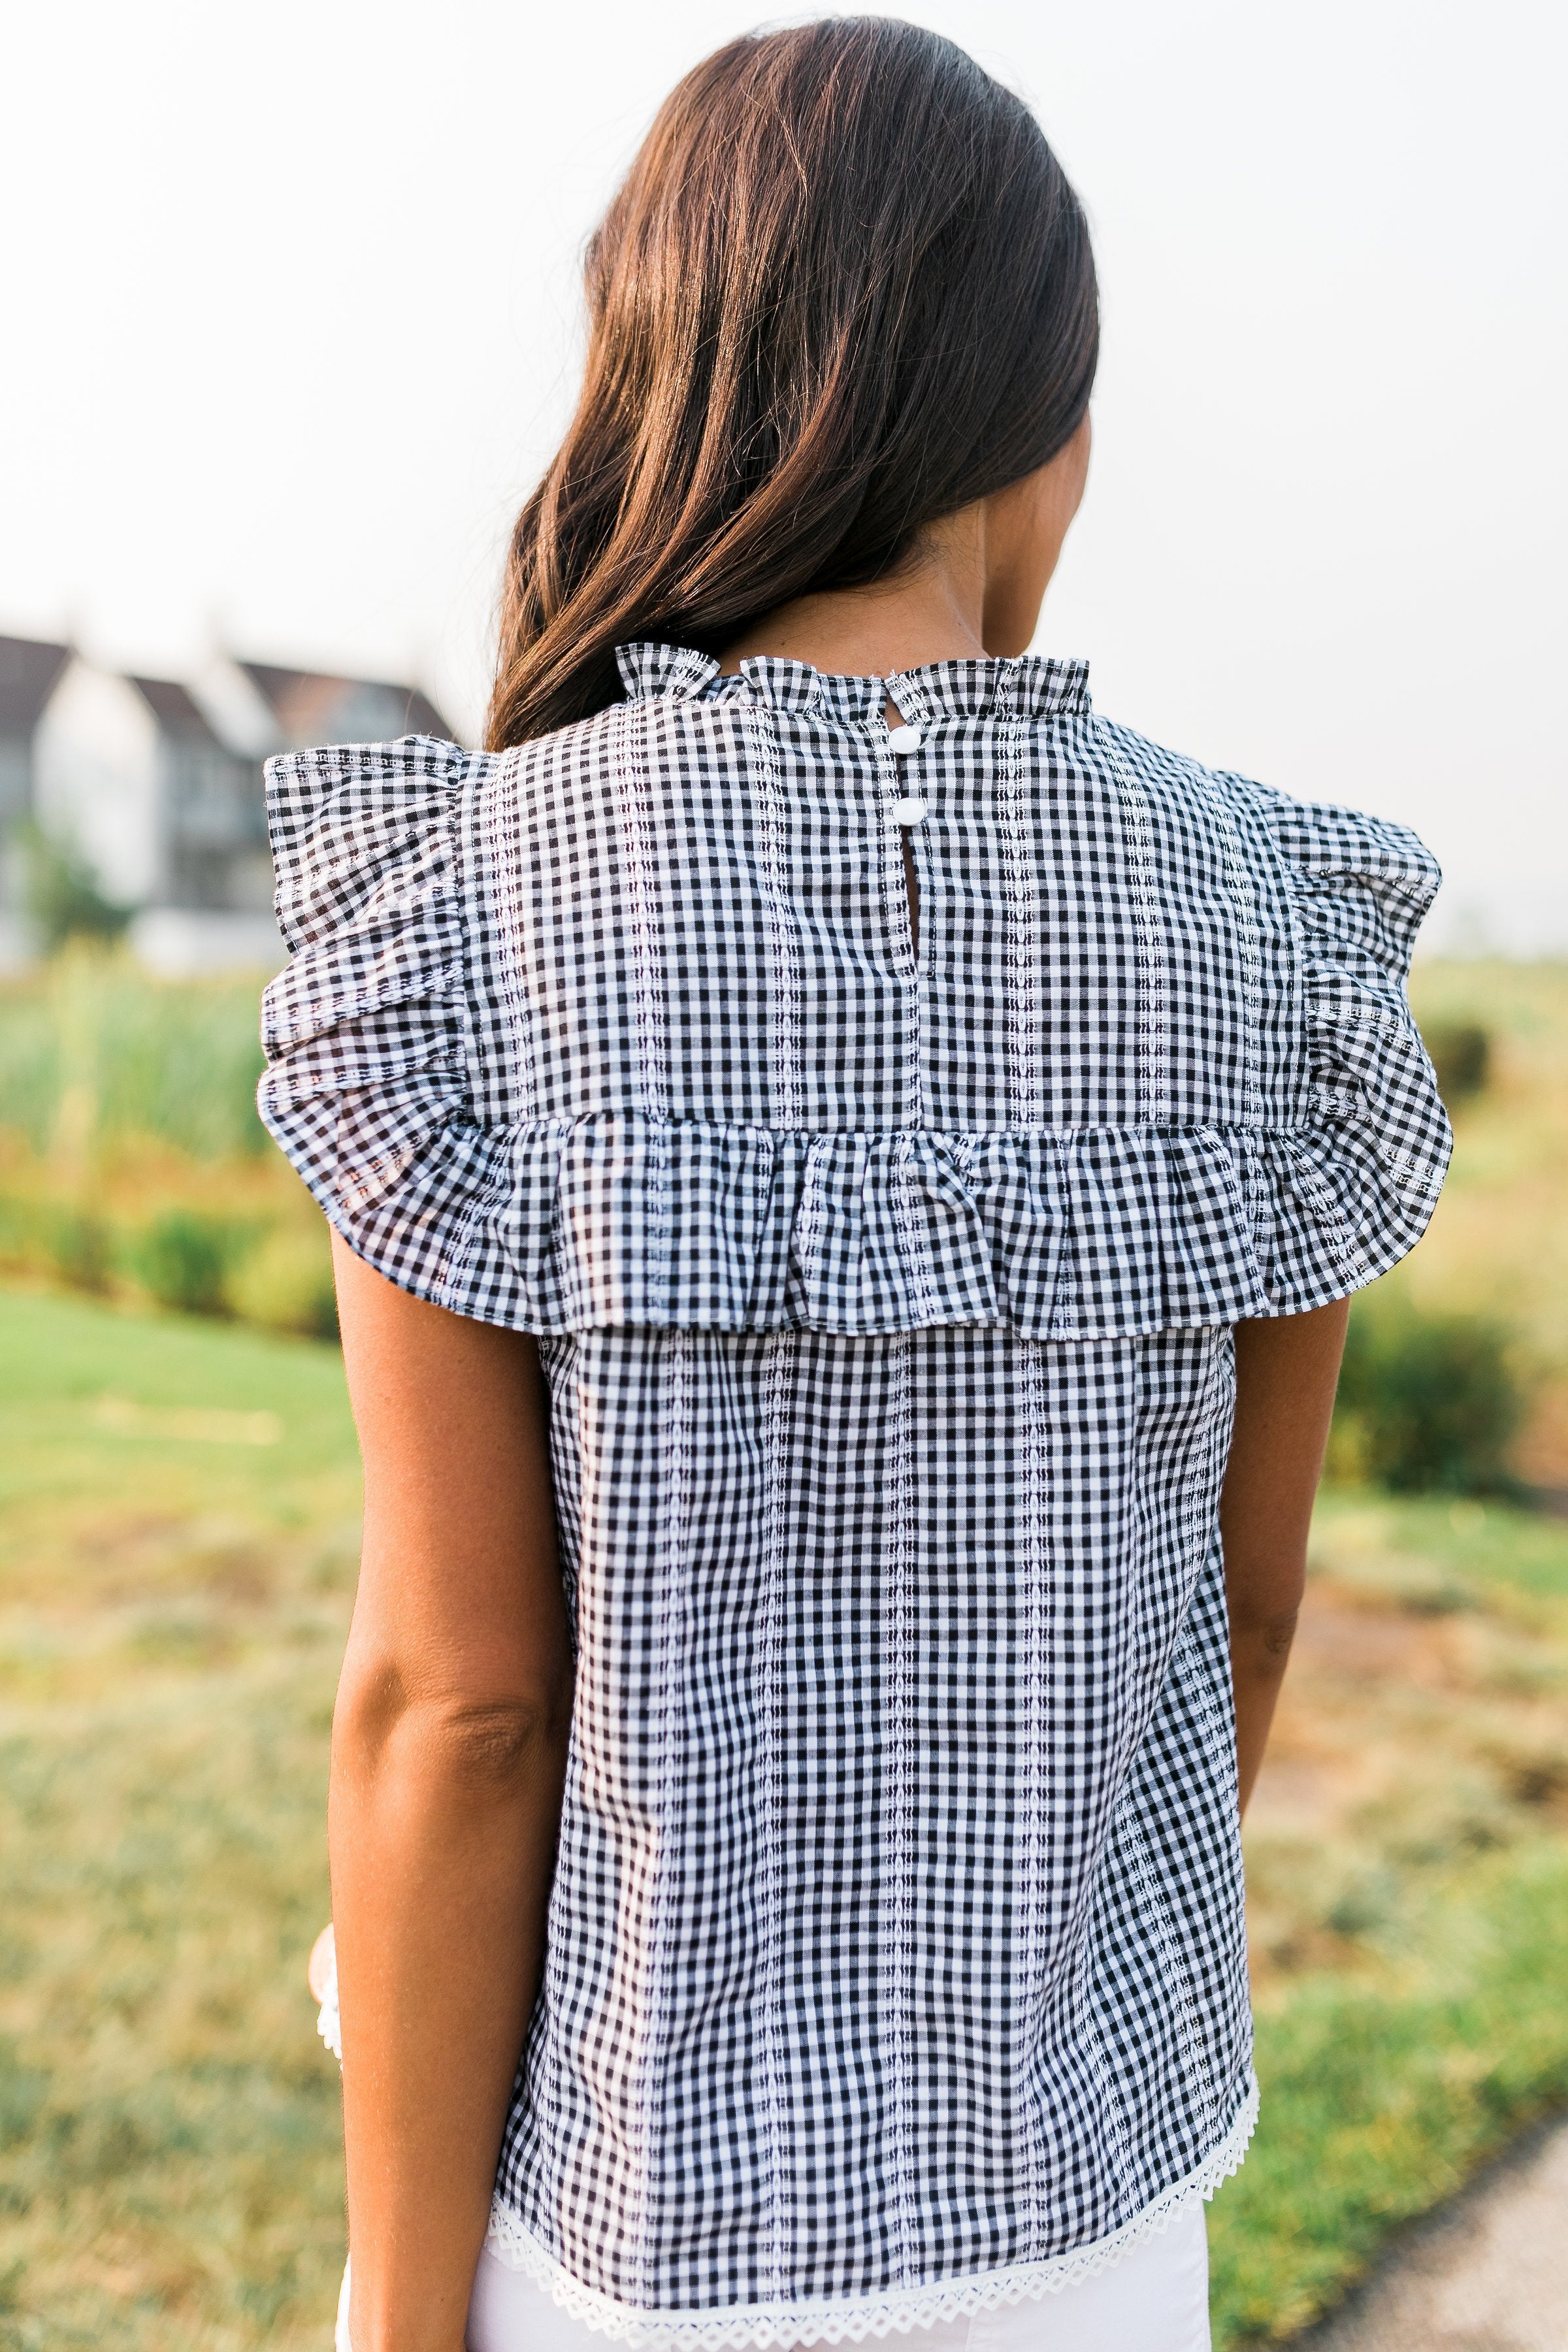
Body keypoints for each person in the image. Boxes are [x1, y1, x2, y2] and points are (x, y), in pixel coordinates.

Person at [258, 20, 1451, 2352]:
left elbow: (459, 1713)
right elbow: (1249, 1606)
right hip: (1091, 2233)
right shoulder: (1270, 921)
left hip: (609, 2243)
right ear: (1048, 448)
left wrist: (403, 2325)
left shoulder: (473, 899)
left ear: (668, 391)